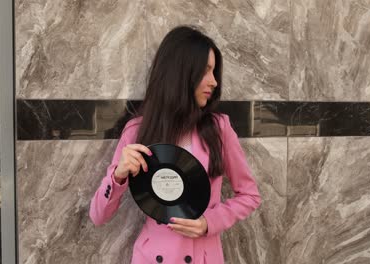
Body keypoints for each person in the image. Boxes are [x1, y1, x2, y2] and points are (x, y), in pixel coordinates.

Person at [89, 25, 261, 264]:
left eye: (215, 72)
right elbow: (98, 216)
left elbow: (249, 195)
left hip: (203, 256)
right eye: (206, 71)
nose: (214, 82)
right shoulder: (138, 131)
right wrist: (118, 176)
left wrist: (209, 223)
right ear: (181, 73)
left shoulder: (218, 128)